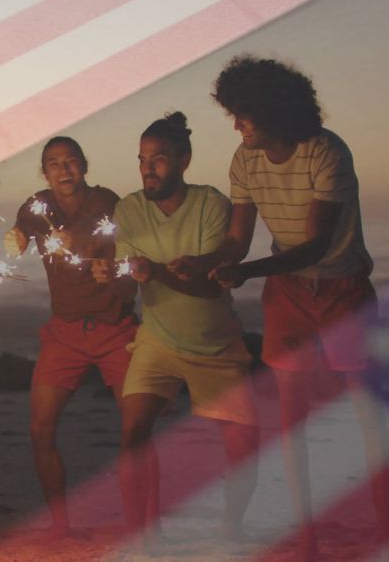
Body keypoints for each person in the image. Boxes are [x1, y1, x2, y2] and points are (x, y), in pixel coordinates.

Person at [172, 55, 389, 560]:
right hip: (288, 292)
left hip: (343, 291)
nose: (236, 124)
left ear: (273, 109)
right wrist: (206, 261)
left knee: (367, 415)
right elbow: (236, 240)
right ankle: (308, 539)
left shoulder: (327, 153)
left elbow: (316, 246)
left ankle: (384, 534)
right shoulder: (244, 159)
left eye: (243, 113)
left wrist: (247, 272)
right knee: (291, 422)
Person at [93, 112, 260, 551]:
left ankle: (231, 528)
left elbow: (208, 287)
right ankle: (141, 537)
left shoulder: (210, 205)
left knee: (243, 441)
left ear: (184, 160)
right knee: (133, 430)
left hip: (214, 344)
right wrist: (109, 278)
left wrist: (154, 274)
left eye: (160, 159)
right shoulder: (129, 208)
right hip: (158, 340)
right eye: (143, 159)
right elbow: (129, 282)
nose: (148, 168)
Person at [4, 136, 137, 537]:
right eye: (54, 163)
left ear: (84, 164)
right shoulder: (36, 206)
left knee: (136, 429)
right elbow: (22, 227)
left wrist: (76, 241)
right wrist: (17, 237)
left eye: (71, 161)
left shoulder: (106, 200)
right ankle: (60, 524)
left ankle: (140, 523)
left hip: (115, 329)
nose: (63, 169)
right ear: (45, 172)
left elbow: (98, 235)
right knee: (40, 428)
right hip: (64, 333)